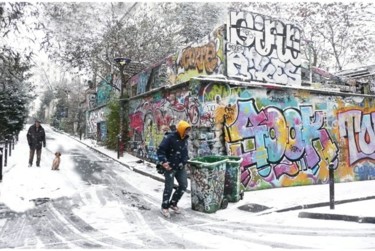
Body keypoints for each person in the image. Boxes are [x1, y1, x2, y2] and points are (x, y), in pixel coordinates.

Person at [157, 120, 191, 218]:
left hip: (180, 167)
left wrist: (185, 160)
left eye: (188, 131)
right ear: (181, 129)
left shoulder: (185, 138)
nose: (187, 132)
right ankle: (165, 207)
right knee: (169, 187)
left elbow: (184, 152)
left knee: (184, 185)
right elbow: (160, 150)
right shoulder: (170, 137)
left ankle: (173, 203)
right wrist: (164, 162)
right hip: (170, 167)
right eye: (186, 130)